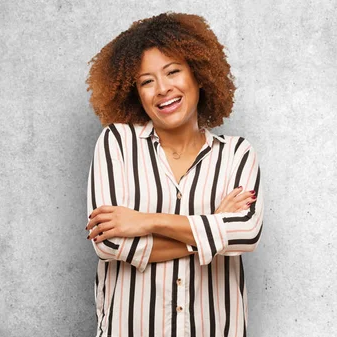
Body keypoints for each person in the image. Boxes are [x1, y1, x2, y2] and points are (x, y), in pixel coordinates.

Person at [84, 12, 263, 337]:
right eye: (146, 81)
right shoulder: (117, 144)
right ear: (134, 91)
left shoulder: (237, 153)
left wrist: (145, 221)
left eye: (173, 72)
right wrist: (211, 228)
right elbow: (108, 241)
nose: (162, 89)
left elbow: (246, 232)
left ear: (198, 75)